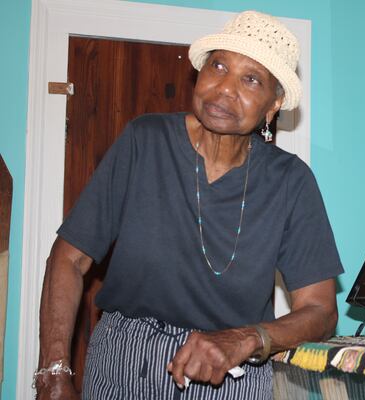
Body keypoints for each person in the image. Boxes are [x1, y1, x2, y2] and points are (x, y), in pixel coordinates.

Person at [34, 11, 343, 400]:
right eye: (218, 65)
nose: (225, 88)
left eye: (251, 79)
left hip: (232, 376)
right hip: (123, 365)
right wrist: (54, 372)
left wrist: (245, 339)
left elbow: (320, 310)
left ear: (273, 104)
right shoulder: (144, 142)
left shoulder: (291, 181)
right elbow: (68, 258)